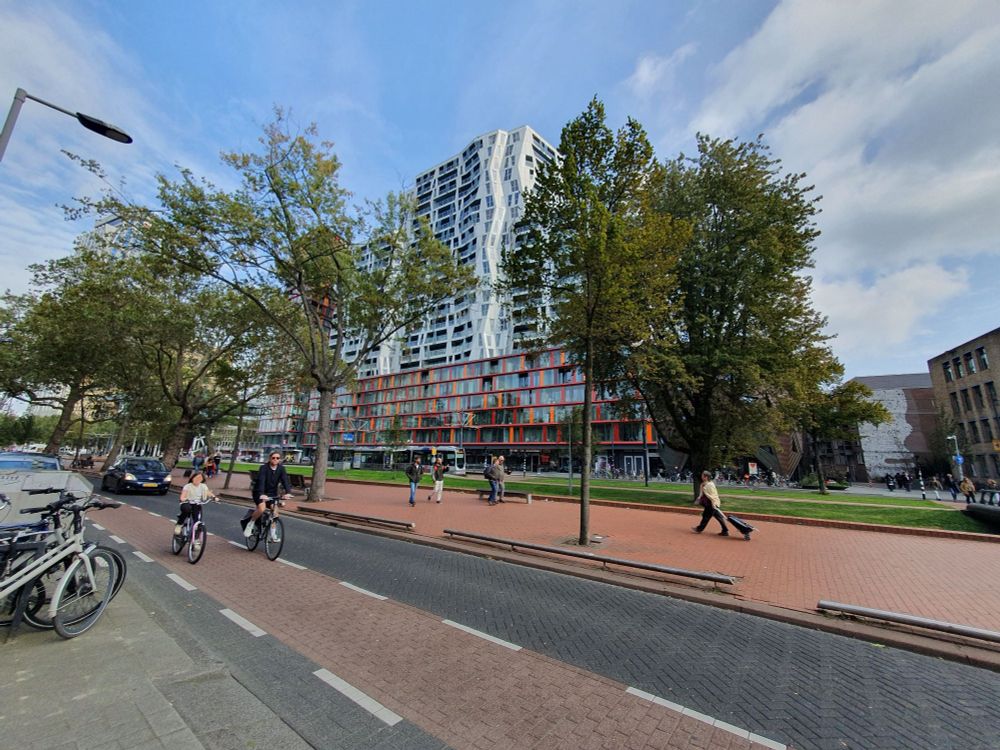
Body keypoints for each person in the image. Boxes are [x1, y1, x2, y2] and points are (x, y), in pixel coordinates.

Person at [246, 451, 292, 537]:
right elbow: (261, 481)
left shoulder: (281, 469)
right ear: (269, 458)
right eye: (273, 458)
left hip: (272, 494)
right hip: (259, 492)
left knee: (275, 512)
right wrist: (262, 494)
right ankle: (250, 524)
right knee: (262, 508)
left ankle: (273, 535)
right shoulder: (264, 468)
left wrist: (288, 492)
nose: (275, 459)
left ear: (280, 459)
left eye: (277, 458)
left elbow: (285, 481)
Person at [175, 470, 215, 535]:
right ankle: (179, 524)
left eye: (200, 478)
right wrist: (183, 499)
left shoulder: (203, 486)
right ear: (192, 478)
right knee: (186, 509)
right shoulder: (188, 486)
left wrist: (214, 497)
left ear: (202, 480)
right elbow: (182, 496)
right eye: (196, 478)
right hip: (187, 502)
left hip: (196, 504)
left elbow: (208, 493)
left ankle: (196, 540)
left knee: (197, 522)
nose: (197, 480)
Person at [693, 470, 730, 536]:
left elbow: (713, 495)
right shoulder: (706, 484)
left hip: (712, 503)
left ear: (706, 477)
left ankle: (699, 529)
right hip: (711, 503)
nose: (701, 476)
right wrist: (699, 498)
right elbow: (703, 493)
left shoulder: (709, 485)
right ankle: (725, 531)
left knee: (706, 517)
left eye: (702, 475)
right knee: (718, 517)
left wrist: (714, 504)